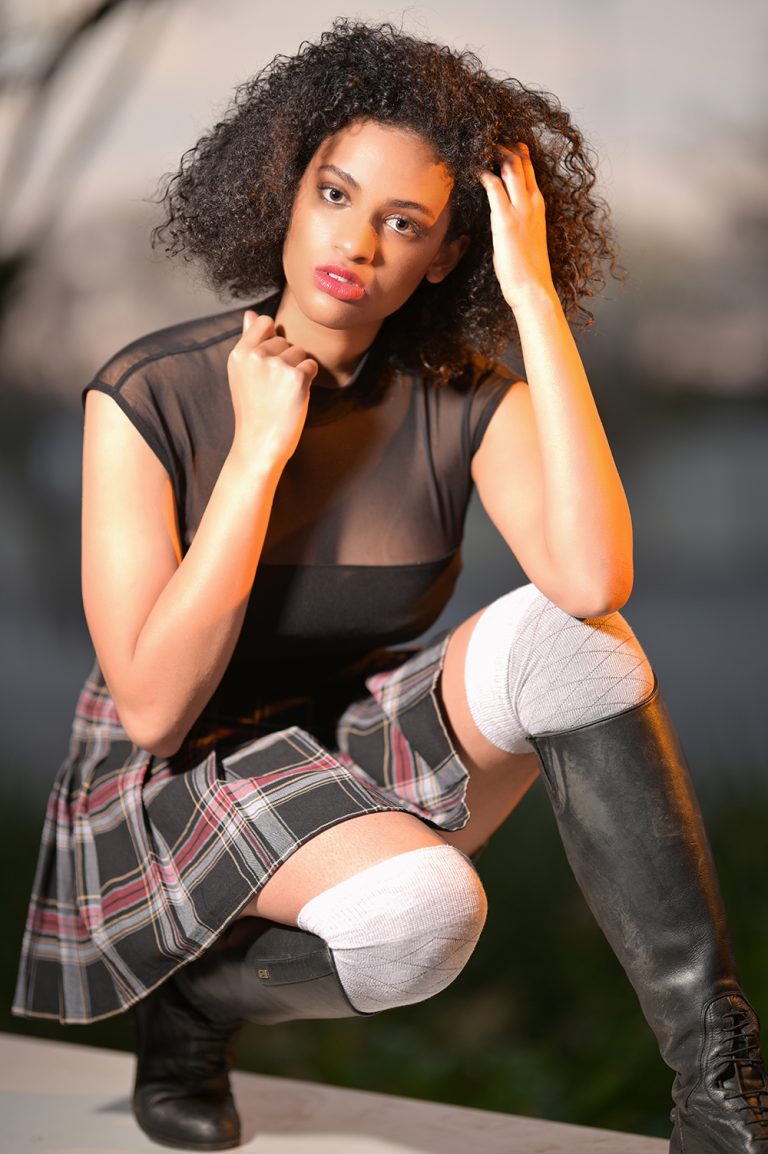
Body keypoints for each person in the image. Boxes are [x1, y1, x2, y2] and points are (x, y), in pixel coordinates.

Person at [13, 18, 768, 1153]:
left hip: (351, 726)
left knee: (584, 639)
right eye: (335, 194)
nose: (357, 242)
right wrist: (258, 452)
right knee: (422, 922)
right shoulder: (148, 393)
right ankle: (194, 1006)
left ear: (447, 255)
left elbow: (592, 579)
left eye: (404, 222)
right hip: (183, 762)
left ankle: (721, 1088)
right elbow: (155, 708)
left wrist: (535, 297)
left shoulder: (463, 396)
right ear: (285, 190)